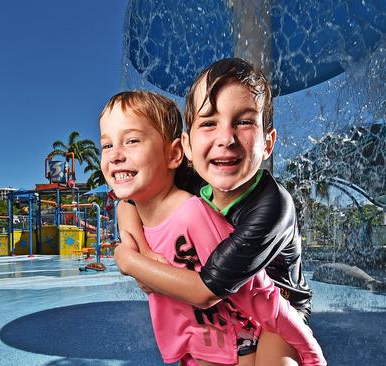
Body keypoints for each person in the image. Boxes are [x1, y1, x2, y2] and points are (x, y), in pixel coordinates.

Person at [113, 58, 322, 365]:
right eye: (209, 123)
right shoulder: (192, 178)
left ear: (268, 143)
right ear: (186, 145)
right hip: (228, 308)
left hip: (277, 310)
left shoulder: (272, 207)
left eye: (245, 122)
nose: (226, 139)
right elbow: (129, 200)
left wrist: (128, 260)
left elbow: (204, 291)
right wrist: (140, 248)